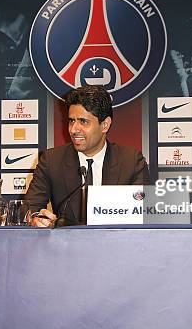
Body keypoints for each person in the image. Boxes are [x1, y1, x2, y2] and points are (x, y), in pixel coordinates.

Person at [26, 85, 150, 227]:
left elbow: (143, 212)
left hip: (115, 245)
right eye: (71, 121)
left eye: (83, 122)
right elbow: (30, 206)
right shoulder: (52, 160)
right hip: (66, 247)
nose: (73, 130)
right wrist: (36, 218)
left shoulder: (131, 161)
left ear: (105, 125)